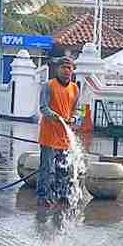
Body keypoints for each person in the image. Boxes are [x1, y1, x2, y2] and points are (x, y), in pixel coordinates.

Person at [37, 57, 80, 207]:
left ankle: (62, 195)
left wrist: (74, 118)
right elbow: (43, 107)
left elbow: (77, 109)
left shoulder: (75, 89)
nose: (67, 71)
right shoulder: (49, 86)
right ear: (58, 69)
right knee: (46, 169)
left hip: (64, 137)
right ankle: (43, 196)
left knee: (63, 168)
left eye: (69, 68)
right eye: (64, 68)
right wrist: (55, 116)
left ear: (72, 71)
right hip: (49, 135)